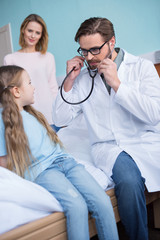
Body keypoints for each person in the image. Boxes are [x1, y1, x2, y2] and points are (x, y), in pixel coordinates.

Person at [52, 17, 160, 240]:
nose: (89, 57)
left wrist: (117, 84)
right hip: (108, 147)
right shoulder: (82, 79)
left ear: (112, 42)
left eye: (94, 50)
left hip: (142, 141)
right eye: (83, 51)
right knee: (129, 181)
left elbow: (154, 114)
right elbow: (61, 118)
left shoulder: (141, 68)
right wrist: (69, 82)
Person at [0, 65, 119, 240]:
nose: (34, 87)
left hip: (68, 163)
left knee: (102, 201)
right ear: (16, 91)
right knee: (77, 206)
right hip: (43, 171)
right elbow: (4, 164)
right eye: (30, 83)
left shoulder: (32, 114)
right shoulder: (3, 120)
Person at [3, 14, 58, 127]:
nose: (33, 35)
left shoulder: (48, 57)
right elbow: (10, 93)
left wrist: (59, 113)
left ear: (41, 35)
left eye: (37, 32)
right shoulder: (10, 59)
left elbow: (53, 87)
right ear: (23, 30)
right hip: (25, 116)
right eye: (30, 30)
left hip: (49, 114)